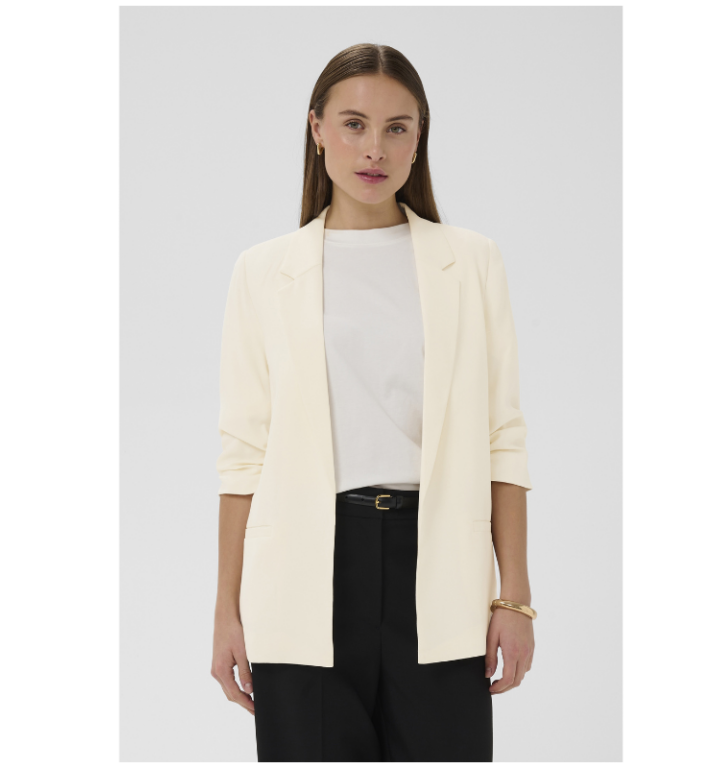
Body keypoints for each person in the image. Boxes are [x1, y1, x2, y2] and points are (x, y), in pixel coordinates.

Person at [210, 42, 537, 762]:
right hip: (303, 572)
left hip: (440, 564)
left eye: (397, 128)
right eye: (354, 124)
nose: (374, 149)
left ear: (420, 139)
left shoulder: (470, 261)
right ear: (316, 128)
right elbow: (244, 456)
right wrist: (226, 610)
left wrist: (513, 598)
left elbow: (502, 438)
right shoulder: (263, 272)